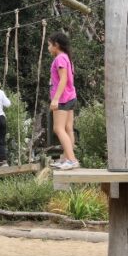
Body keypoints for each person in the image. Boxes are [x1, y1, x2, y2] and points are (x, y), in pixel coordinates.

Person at [48, 32, 80, 170]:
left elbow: (63, 80)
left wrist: (55, 99)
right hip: (70, 96)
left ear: (56, 45)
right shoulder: (67, 57)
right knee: (68, 129)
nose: (48, 48)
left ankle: (71, 160)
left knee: (58, 128)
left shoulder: (60, 58)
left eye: (49, 45)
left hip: (62, 98)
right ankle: (68, 158)